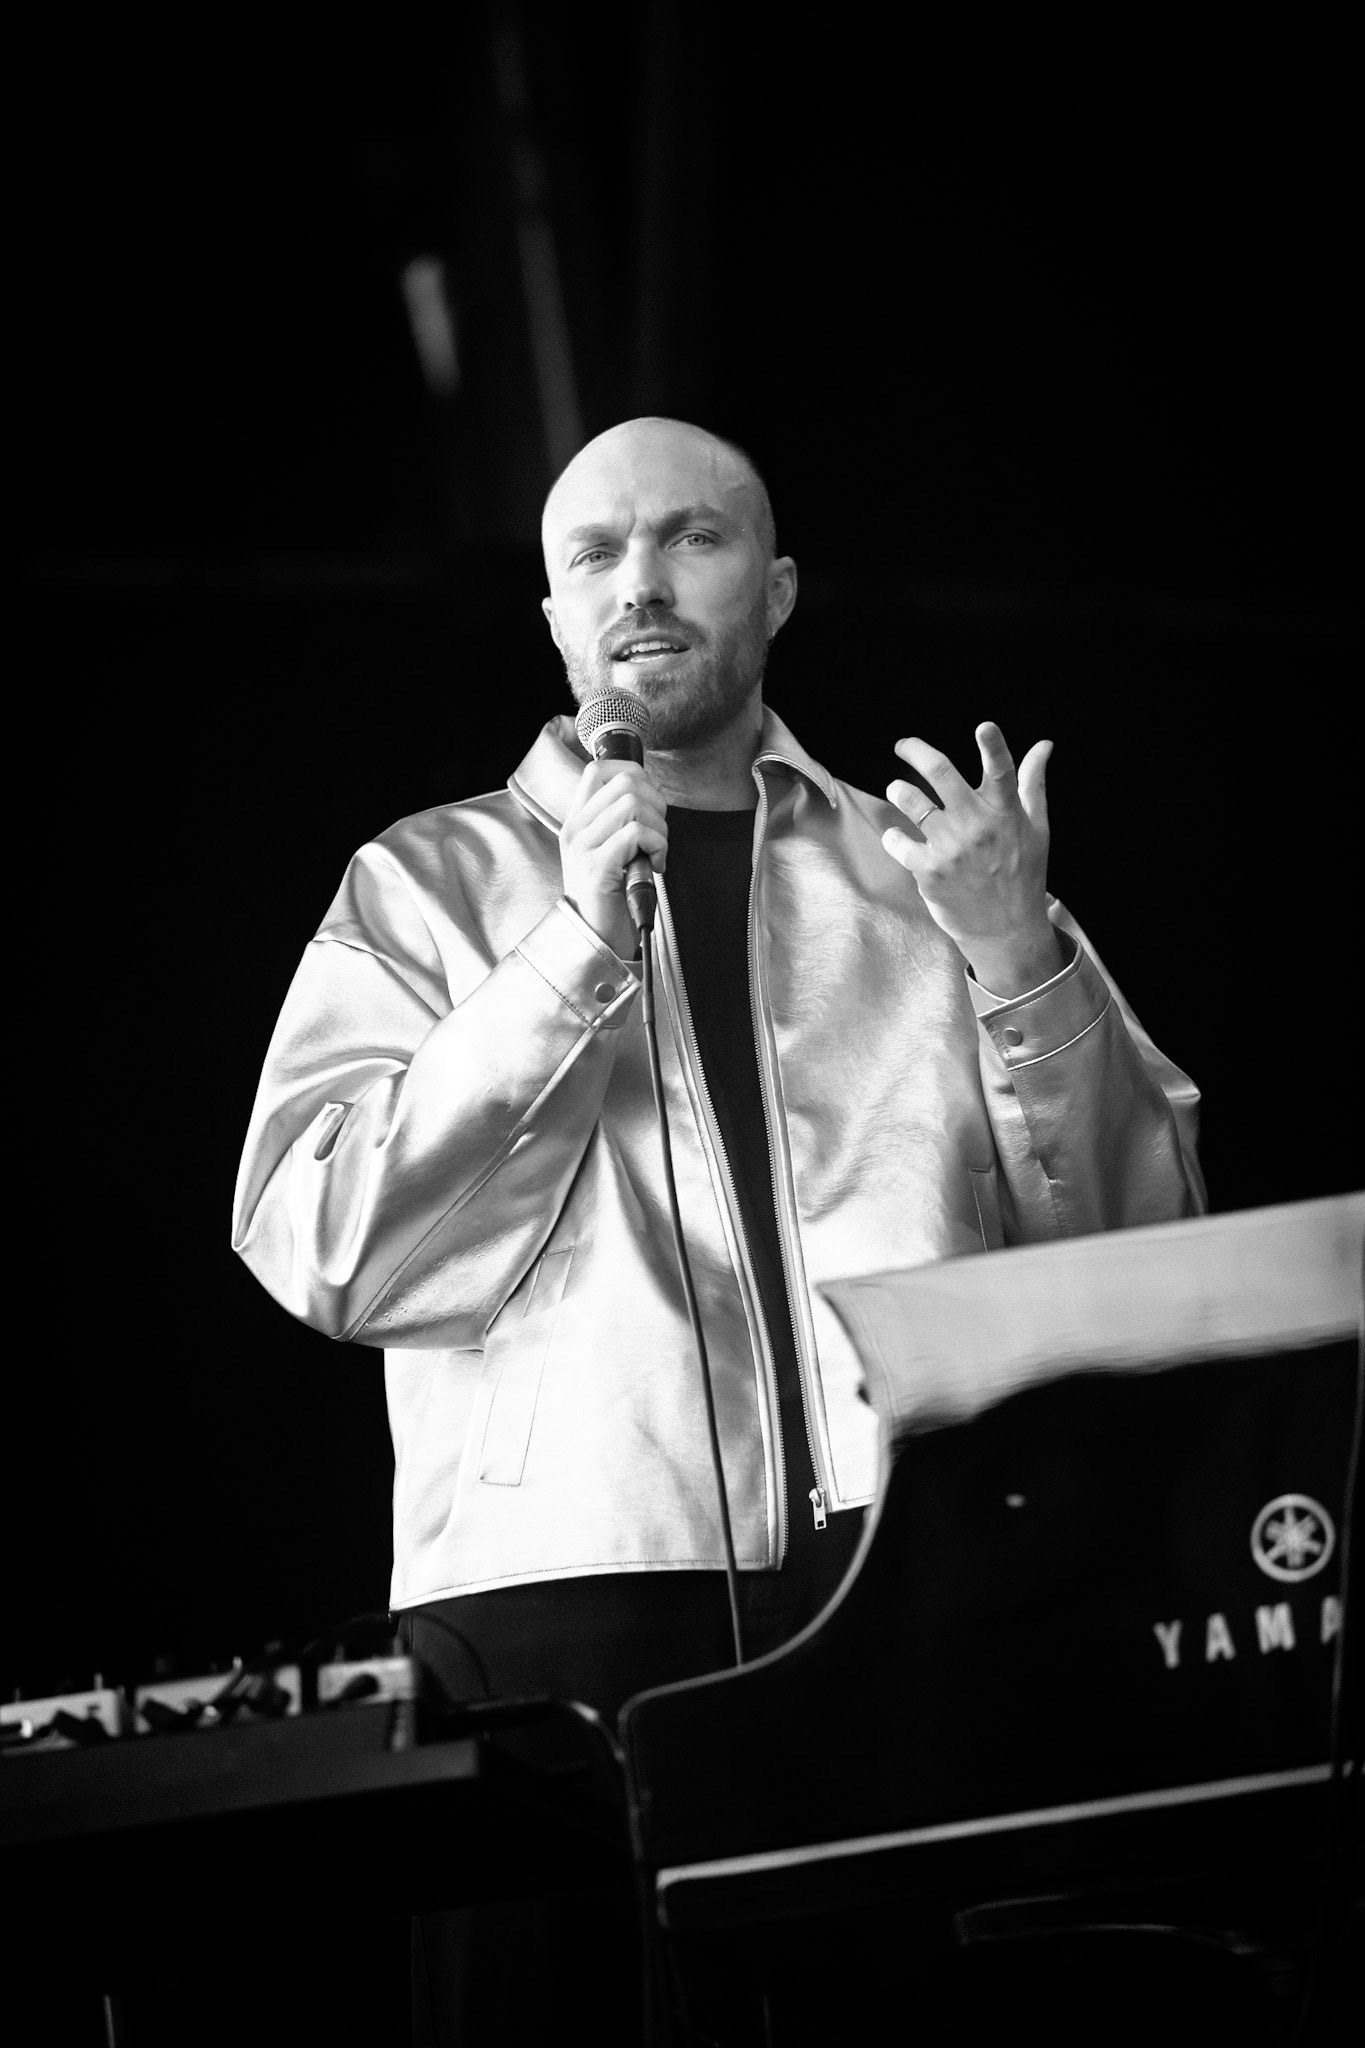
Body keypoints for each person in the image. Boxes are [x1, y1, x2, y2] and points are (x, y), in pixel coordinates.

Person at [232, 415, 1204, 2035]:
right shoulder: (424, 885)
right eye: (592, 556)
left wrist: (1019, 958)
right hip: (559, 1608)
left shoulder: (941, 880)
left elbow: (1139, 1254)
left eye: (691, 538)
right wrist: (559, 957)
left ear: (779, 586)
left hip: (909, 1589)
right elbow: (325, 1244)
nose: (641, 585)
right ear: (550, 614)